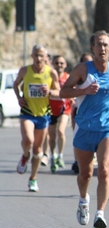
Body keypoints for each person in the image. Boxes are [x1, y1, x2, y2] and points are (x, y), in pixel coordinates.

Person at [60, 30, 109, 228]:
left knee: (104, 170)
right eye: (98, 44)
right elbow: (63, 91)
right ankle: (84, 201)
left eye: (106, 45)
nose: (102, 48)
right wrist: (84, 90)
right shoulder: (83, 69)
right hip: (84, 128)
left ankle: (100, 213)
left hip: (108, 128)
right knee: (85, 174)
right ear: (92, 48)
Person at [13, 44, 60, 192]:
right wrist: (19, 96)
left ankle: (33, 178)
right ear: (32, 56)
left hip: (43, 114)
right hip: (27, 111)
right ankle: (25, 156)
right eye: (36, 55)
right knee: (28, 140)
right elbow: (16, 85)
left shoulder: (51, 73)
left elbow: (59, 91)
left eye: (41, 55)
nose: (39, 58)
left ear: (46, 57)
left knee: (38, 149)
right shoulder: (25, 70)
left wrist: (50, 91)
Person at [46, 55, 71, 173]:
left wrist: (73, 97)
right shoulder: (49, 77)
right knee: (51, 137)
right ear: (53, 64)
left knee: (61, 131)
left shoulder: (68, 77)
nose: (59, 65)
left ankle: (60, 155)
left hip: (64, 109)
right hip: (51, 109)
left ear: (65, 65)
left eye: (61, 63)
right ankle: (53, 156)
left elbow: (74, 89)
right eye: (57, 63)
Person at [71, 52, 93, 174]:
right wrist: (83, 92)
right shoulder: (79, 73)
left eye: (89, 61)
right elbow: (68, 90)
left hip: (97, 113)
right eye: (85, 61)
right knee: (77, 137)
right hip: (80, 111)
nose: (87, 64)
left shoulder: (99, 73)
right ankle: (77, 160)